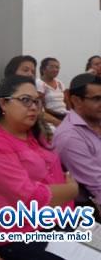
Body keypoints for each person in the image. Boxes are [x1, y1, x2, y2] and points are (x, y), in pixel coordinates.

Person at [0, 75, 77, 259]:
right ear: (3, 104)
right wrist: (71, 190)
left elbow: (55, 176)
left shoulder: (32, 134)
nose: (33, 107)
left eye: (36, 101)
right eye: (25, 100)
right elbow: (29, 197)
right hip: (20, 234)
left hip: (55, 223)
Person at [53, 73, 101, 206]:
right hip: (88, 209)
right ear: (76, 101)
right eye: (97, 99)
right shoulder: (70, 137)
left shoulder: (96, 121)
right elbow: (97, 185)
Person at [37, 57, 69, 121]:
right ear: (43, 69)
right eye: (51, 67)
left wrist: (71, 114)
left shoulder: (59, 83)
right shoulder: (39, 83)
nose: (55, 70)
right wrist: (59, 115)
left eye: (57, 67)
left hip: (64, 114)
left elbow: (66, 102)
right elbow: (42, 107)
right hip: (51, 117)